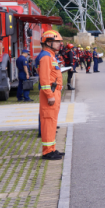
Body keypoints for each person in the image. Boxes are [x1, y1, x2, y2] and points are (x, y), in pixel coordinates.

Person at [37, 30, 64, 160]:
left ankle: (52, 148)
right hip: (50, 92)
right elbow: (44, 79)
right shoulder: (46, 56)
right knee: (48, 121)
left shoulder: (51, 55)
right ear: (48, 42)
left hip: (55, 91)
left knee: (52, 121)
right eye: (57, 42)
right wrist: (49, 95)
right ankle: (47, 152)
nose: (59, 44)